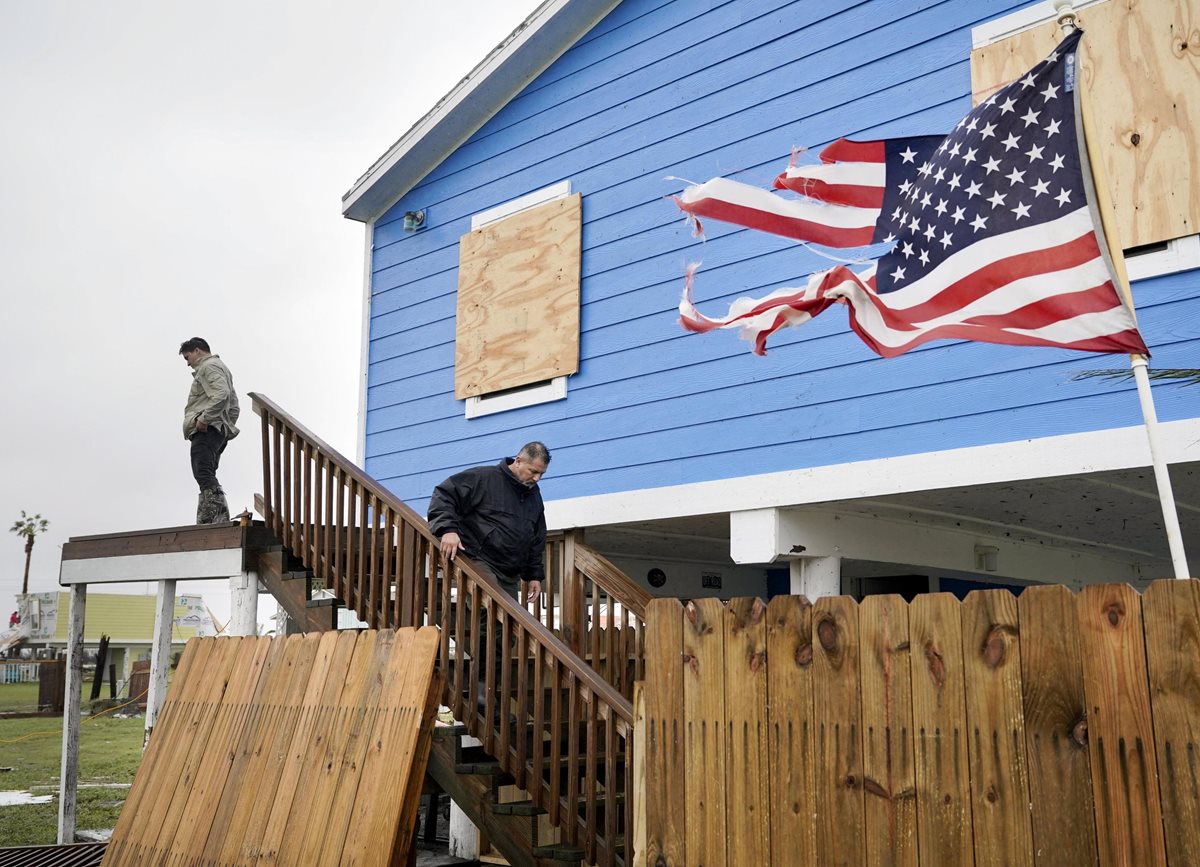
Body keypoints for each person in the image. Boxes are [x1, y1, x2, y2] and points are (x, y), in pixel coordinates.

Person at [428, 442, 550, 710]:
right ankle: (480, 686)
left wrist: (534, 575)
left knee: (509, 629)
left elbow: (535, 537)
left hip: (510, 569)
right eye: (533, 471)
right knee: (492, 613)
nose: (536, 478)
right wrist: (447, 529)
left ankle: (489, 687)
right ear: (518, 461)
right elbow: (443, 496)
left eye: (541, 474)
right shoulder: (483, 479)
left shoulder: (533, 496)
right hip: (477, 560)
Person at [179, 337, 240, 524]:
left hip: (208, 428)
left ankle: (214, 517)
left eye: (187, 357)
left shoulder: (208, 367)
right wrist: (226, 427)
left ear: (197, 351)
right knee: (207, 471)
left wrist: (204, 419)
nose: (188, 363)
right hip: (217, 428)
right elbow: (234, 406)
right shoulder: (220, 367)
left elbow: (222, 394)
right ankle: (209, 515)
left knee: (202, 471)